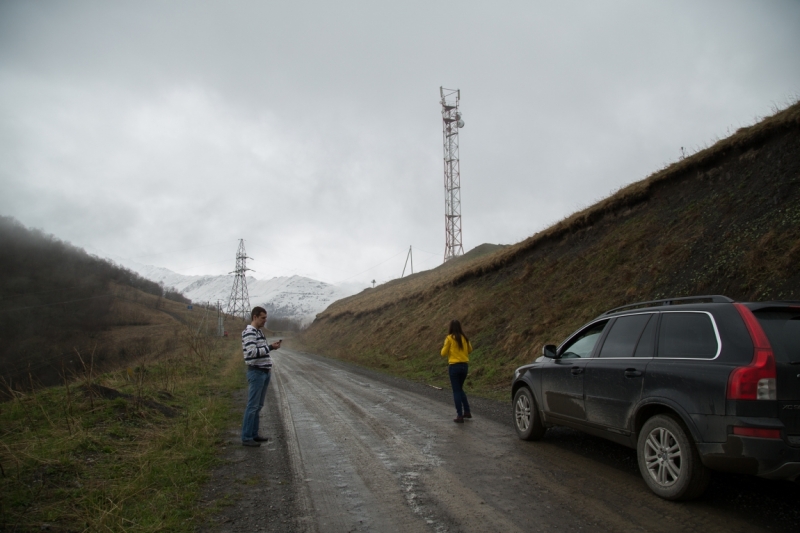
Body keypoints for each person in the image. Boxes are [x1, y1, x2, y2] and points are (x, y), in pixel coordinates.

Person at [241, 306, 282, 447]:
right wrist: (270, 347)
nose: (265, 321)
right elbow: (251, 352)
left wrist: (270, 347)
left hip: (264, 372)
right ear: (255, 317)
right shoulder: (250, 332)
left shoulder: (258, 332)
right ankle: (246, 437)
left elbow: (260, 351)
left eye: (266, 318)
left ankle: (253, 434)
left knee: (258, 406)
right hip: (256, 372)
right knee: (252, 406)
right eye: (263, 318)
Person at [440, 319, 473, 423]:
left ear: (450, 327)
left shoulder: (449, 338)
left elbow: (443, 353)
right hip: (464, 366)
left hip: (454, 366)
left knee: (456, 391)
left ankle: (459, 415)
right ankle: (467, 411)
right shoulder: (465, 338)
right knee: (460, 389)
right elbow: (470, 350)